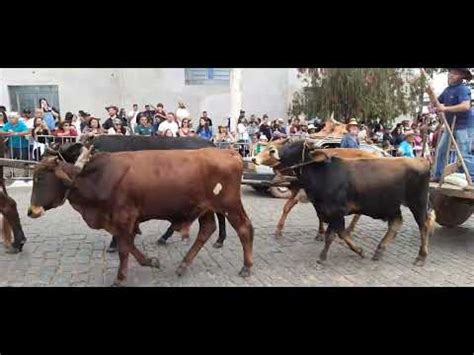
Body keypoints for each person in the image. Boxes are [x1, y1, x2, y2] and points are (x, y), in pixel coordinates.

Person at [432, 68, 473, 181]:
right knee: (441, 150)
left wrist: (445, 108)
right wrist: (433, 103)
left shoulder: (463, 89)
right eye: (450, 72)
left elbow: (465, 106)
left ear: (461, 76)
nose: (451, 75)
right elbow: (437, 102)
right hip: (451, 125)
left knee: (464, 153)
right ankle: (438, 175)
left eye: (455, 73)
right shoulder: (447, 90)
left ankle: (472, 178)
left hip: (464, 126)